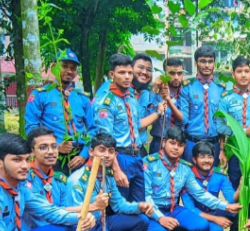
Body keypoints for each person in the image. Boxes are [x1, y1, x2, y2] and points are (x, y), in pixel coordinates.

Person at [143, 127, 241, 231]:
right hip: (152, 210)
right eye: (172, 143)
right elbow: (146, 196)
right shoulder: (149, 163)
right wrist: (160, 218)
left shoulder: (185, 168)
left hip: (173, 209)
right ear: (163, 143)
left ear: (184, 147)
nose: (176, 148)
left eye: (180, 145)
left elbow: (200, 194)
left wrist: (226, 206)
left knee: (202, 225)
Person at [67, 133, 154, 231]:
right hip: (86, 228)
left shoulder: (107, 175)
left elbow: (119, 205)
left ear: (115, 154)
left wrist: (139, 206)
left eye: (111, 151)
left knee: (142, 220)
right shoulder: (77, 180)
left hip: (102, 223)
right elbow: (73, 221)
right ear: (91, 151)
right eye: (102, 150)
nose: (106, 155)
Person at [92, 53, 159, 203]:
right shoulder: (106, 103)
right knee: (120, 204)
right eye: (122, 73)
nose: (127, 77)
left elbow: (136, 125)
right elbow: (105, 141)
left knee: (139, 204)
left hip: (137, 156)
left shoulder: (131, 99)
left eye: (129, 73)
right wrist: (116, 170)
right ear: (112, 74)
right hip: (119, 157)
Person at [25, 48, 95, 174]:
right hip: (51, 157)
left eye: (73, 68)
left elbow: (93, 129)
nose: (69, 71)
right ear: (54, 67)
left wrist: (84, 155)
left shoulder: (82, 98)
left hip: (80, 157)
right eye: (64, 66)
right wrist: (55, 146)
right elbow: (31, 128)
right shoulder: (41, 95)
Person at [215, 56, 250, 189]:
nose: (243, 75)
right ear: (233, 74)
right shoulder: (226, 98)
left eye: (247, 71)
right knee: (236, 182)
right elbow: (220, 126)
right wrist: (243, 132)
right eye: (239, 71)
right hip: (236, 148)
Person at [180, 141, 239, 231]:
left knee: (237, 211)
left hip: (212, 211)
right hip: (195, 216)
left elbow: (232, 200)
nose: (207, 160)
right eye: (202, 157)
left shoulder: (220, 175)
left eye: (210, 157)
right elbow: (191, 209)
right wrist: (216, 219)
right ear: (194, 159)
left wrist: (241, 187)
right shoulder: (187, 176)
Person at [178, 46, 226, 162]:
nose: (207, 65)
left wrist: (222, 149)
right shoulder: (187, 88)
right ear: (196, 63)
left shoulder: (221, 90)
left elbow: (222, 122)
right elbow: (183, 120)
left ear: (214, 64)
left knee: (212, 173)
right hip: (192, 143)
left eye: (210, 61)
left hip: (214, 144)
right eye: (203, 61)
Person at [149, 57, 185, 154]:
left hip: (179, 144)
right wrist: (154, 90)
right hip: (159, 142)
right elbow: (148, 119)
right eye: (172, 73)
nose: (176, 77)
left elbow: (184, 120)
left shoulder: (186, 95)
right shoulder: (157, 95)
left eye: (179, 73)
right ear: (164, 74)